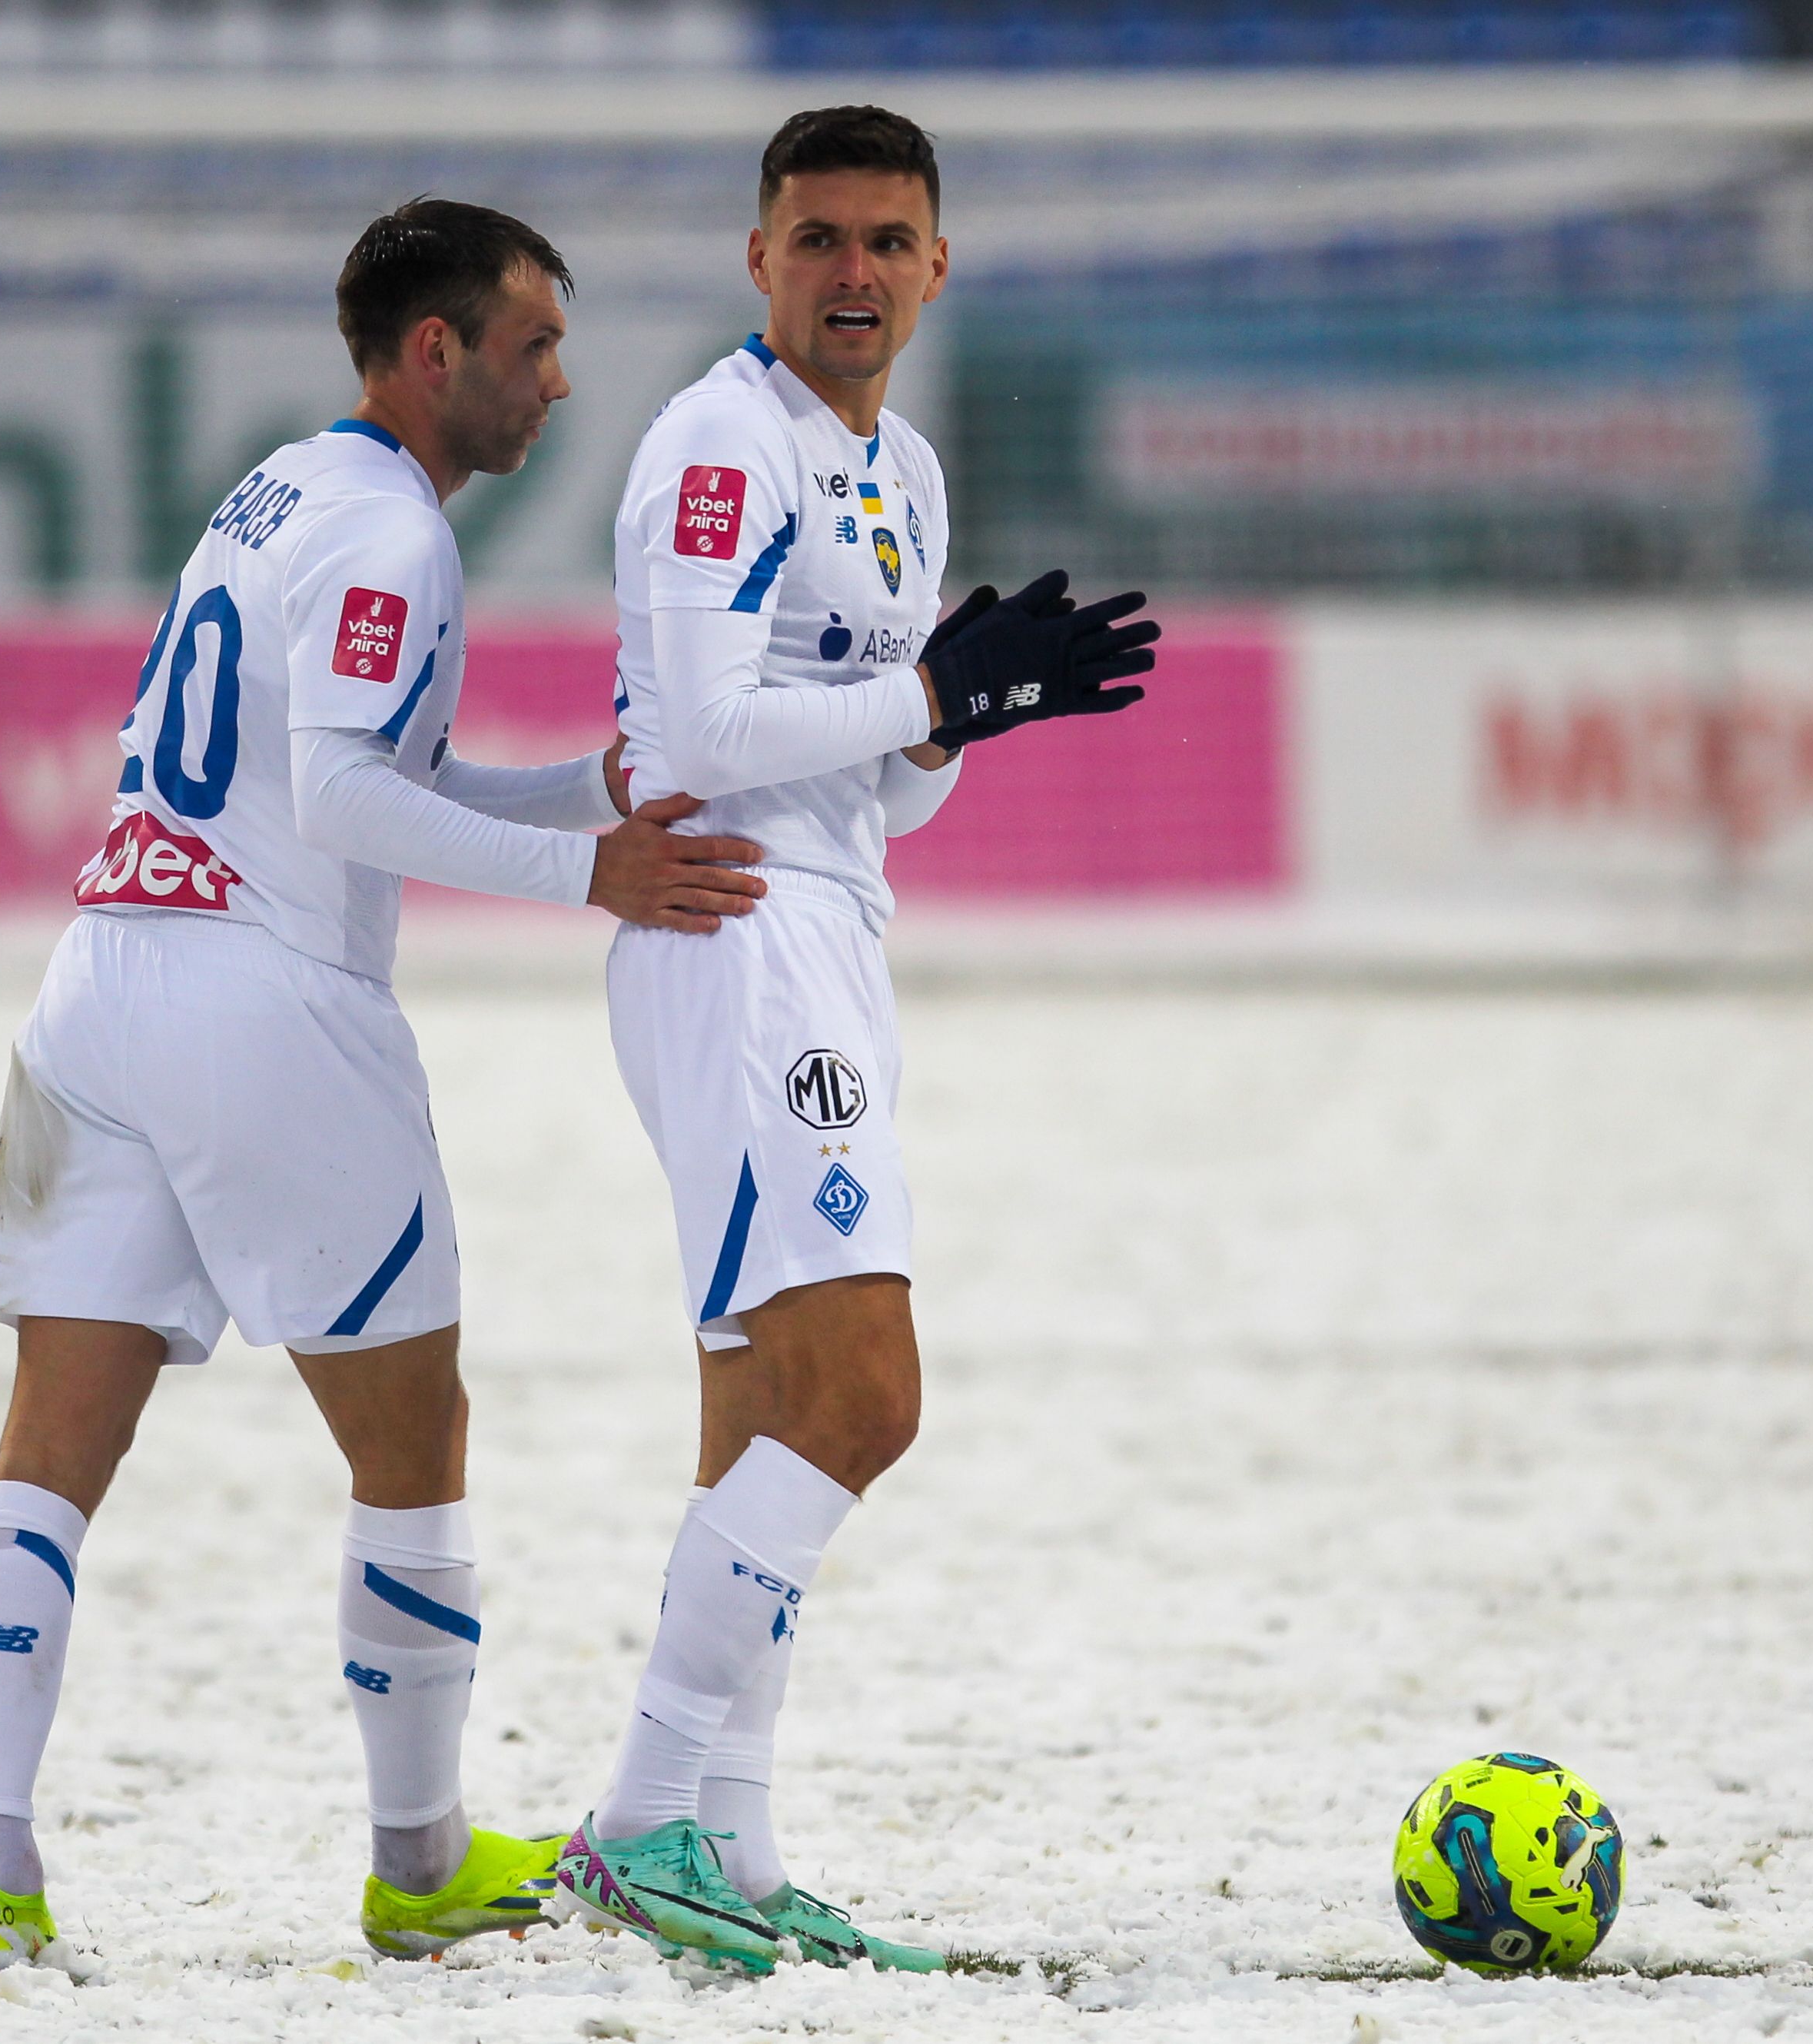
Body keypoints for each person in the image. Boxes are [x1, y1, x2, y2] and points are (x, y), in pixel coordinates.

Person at [0, 198, 766, 1973]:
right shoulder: (395, 535)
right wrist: (591, 877)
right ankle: (419, 1858)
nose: (560, 382)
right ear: (436, 351)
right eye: (533, 346)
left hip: (104, 976)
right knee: (414, 1446)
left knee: (50, 1454)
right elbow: (342, 803)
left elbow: (370, 759)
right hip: (270, 1006)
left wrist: (577, 790)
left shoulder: (284, 491)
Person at [550, 107, 1163, 1974]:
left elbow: (883, 805)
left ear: (937, 266)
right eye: (818, 239)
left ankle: (726, 1856)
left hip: (825, 933)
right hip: (732, 937)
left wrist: (951, 728)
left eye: (888, 242)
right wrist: (922, 687)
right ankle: (636, 1820)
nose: (854, 273)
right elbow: (718, 730)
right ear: (759, 259)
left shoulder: (903, 469)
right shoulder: (719, 447)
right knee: (867, 1398)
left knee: (764, 1408)